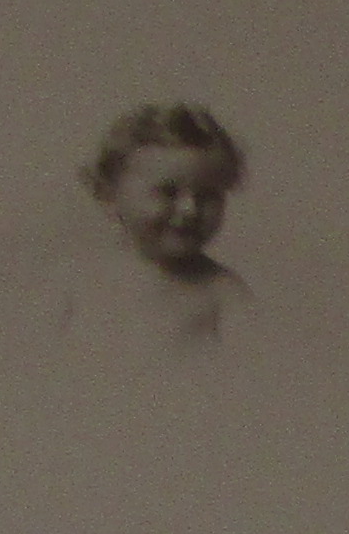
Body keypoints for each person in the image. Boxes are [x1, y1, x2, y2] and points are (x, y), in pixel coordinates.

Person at [81, 101, 249, 350]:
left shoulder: (223, 294)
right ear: (109, 196)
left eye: (207, 196)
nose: (190, 209)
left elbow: (253, 370)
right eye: (168, 193)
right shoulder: (79, 281)